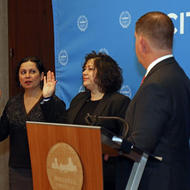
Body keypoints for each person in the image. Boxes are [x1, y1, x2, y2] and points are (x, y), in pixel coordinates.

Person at [117, 11, 190, 190]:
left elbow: (140, 146)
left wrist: (110, 147)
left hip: (157, 181)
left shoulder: (155, 84)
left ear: (141, 43)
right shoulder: (179, 76)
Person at [42, 51, 131, 190]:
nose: (84, 72)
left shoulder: (119, 102)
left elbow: (125, 138)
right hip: (74, 170)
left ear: (105, 73)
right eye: (84, 69)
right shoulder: (79, 99)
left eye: (90, 69)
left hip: (103, 173)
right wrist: (47, 98)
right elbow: (61, 126)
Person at [0, 56, 66, 190]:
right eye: (23, 72)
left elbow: (60, 133)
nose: (27, 76)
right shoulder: (13, 103)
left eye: (32, 72)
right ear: (18, 77)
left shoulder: (54, 102)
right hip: (18, 169)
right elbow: (1, 133)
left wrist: (47, 99)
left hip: (48, 166)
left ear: (42, 76)